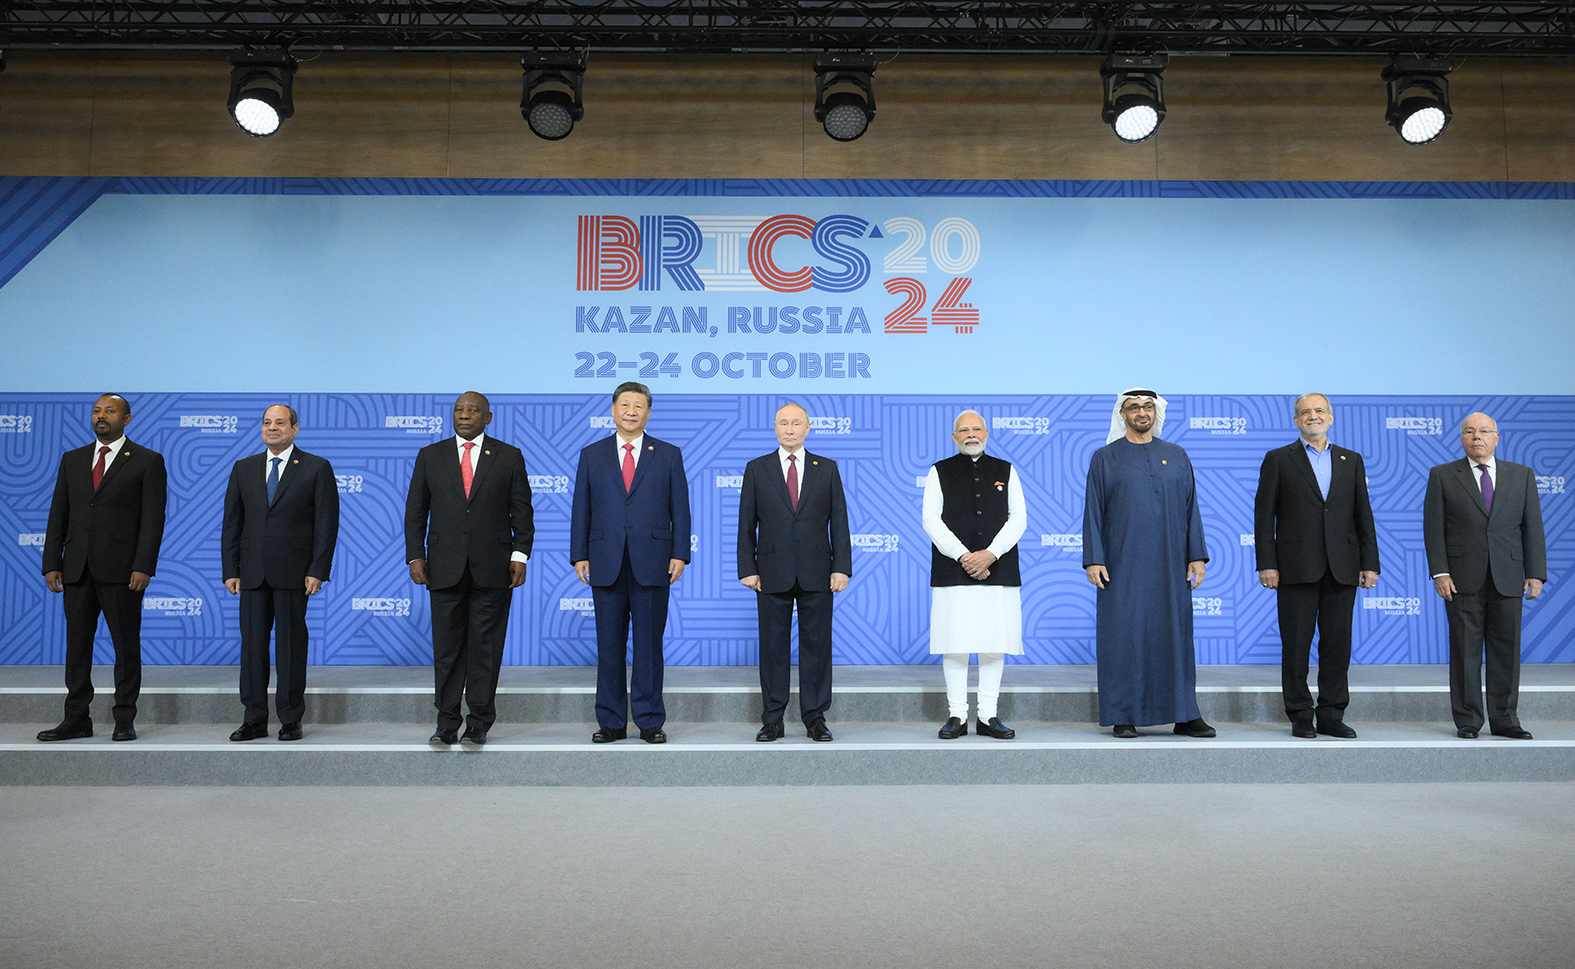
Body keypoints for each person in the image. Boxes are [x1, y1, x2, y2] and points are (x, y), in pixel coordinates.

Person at [404, 392, 534, 747]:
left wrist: (520, 556)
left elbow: (522, 513)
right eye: (459, 410)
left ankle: (478, 722)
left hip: (494, 569)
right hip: (443, 569)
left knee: (485, 650)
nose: (465, 415)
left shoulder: (508, 457)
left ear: (487, 418)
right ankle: (446, 723)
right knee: (446, 651)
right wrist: (415, 556)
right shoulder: (430, 456)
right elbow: (416, 512)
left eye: (473, 411)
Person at [1081, 388, 1213, 739]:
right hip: (1122, 565)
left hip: (1170, 565)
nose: (1142, 412)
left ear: (1156, 413)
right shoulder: (1105, 457)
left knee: (1175, 636)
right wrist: (1094, 559)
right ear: (1122, 414)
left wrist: (1196, 555)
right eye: (1134, 407)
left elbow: (1191, 508)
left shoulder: (1176, 455)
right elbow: (1092, 512)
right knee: (1123, 637)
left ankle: (1185, 715)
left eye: (1148, 407)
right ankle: (1124, 715)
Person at [38, 393, 167, 742]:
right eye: (97, 411)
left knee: (126, 647)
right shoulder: (73, 459)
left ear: (126, 419)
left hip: (123, 571)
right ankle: (77, 718)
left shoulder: (146, 460)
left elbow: (153, 520)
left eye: (110, 411)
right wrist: (52, 562)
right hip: (77, 569)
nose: (101, 416)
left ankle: (124, 718)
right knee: (76, 648)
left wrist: (144, 566)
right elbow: (58, 515)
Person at [1253, 393, 1380, 739]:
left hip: (1343, 567)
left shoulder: (1350, 460)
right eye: (1305, 412)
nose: (1313, 416)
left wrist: (1370, 562)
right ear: (1296, 421)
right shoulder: (1278, 459)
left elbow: (1362, 515)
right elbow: (1264, 518)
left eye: (1319, 410)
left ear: (1331, 417)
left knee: (1337, 645)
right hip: (1294, 567)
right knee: (1296, 645)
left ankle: (1332, 715)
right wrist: (1267, 563)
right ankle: (1299, 715)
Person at [571, 381, 691, 744]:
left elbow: (680, 510)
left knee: (648, 647)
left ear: (648, 413)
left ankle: (650, 721)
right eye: (625, 405)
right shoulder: (592, 454)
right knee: (608, 646)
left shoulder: (667, 454)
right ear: (612, 410)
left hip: (653, 562)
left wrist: (680, 553)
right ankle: (610, 721)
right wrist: (580, 553)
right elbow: (582, 509)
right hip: (605, 561)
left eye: (639, 406)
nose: (631, 412)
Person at [1423, 413, 1546, 740]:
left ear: (1496, 437)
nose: (1477, 437)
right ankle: (1468, 720)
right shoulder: (1443, 475)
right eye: (1469, 432)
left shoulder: (1521, 475)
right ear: (1461, 438)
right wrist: (1440, 571)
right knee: (1464, 650)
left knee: (1506, 650)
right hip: (1461, 578)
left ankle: (1505, 720)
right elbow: (1433, 529)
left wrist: (1535, 574)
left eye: (1484, 431)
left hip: (1508, 576)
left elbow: (1532, 527)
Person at [221, 404, 340, 742]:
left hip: (294, 574)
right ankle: (254, 719)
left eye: (280, 423)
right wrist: (231, 568)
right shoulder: (244, 468)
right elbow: (232, 523)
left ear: (295, 428)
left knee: (290, 649)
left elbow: (326, 525)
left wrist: (318, 569)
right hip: (252, 575)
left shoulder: (316, 468)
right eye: (267, 423)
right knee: (252, 649)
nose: (272, 428)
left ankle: (290, 719)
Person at [737, 402, 851, 742]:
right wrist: (748, 568)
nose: (789, 429)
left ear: (807, 428)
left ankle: (815, 717)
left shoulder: (826, 468)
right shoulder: (757, 468)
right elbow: (746, 524)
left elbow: (840, 522)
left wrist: (841, 567)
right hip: (770, 571)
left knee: (817, 646)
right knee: (773, 647)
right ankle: (773, 718)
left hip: (818, 570)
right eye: (783, 423)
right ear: (775, 428)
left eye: (796, 423)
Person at [923, 410, 1028, 740]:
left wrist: (990, 554)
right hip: (953, 568)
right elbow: (931, 520)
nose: (971, 434)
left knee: (993, 644)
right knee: (954, 645)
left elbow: (1018, 519)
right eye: (963, 430)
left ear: (987, 433)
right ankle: (956, 715)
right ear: (954, 437)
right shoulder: (939, 471)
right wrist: (965, 556)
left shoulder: (1005, 471)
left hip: (999, 568)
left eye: (976, 429)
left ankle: (988, 716)